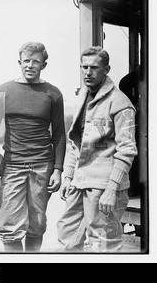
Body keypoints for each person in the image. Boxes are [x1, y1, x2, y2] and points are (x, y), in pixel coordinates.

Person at [57, 46, 137, 252]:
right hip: (80, 180)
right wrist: (67, 176)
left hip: (104, 184)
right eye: (84, 67)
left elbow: (127, 149)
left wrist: (111, 189)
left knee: (104, 244)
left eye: (94, 67)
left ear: (106, 69)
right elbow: (75, 141)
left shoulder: (120, 102)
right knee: (68, 237)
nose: (88, 72)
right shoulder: (84, 97)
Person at [0, 41, 66, 252]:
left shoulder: (53, 93)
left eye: (36, 61)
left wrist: (58, 170)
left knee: (37, 225)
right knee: (9, 226)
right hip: (13, 165)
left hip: (42, 166)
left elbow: (60, 134)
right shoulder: (3, 91)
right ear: (19, 62)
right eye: (26, 61)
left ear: (44, 64)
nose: (30, 65)